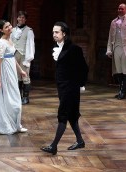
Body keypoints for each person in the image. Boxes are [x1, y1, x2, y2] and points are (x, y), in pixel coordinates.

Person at [40, 22, 88, 155]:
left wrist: (81, 84)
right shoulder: (56, 48)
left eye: (57, 32)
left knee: (63, 115)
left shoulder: (74, 49)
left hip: (71, 87)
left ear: (64, 34)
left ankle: (54, 146)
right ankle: (80, 141)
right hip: (62, 87)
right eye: (53, 32)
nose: (54, 34)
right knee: (72, 115)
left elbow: (83, 68)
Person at [0, 19, 28, 135]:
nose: (9, 28)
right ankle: (6, 124)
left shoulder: (10, 40)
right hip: (4, 72)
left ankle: (16, 124)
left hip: (11, 71)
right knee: (8, 98)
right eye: (6, 27)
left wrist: (21, 70)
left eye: (10, 25)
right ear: (1, 30)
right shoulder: (1, 43)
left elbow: (12, 57)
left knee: (15, 97)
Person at [106, 3, 126, 99]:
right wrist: (109, 49)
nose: (120, 10)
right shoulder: (113, 22)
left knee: (125, 71)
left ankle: (123, 92)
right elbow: (110, 37)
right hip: (116, 48)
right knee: (118, 71)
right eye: (119, 8)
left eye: (122, 9)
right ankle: (120, 90)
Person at [10, 11, 35, 105]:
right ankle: (18, 96)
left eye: (23, 17)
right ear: (17, 18)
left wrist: (28, 59)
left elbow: (31, 45)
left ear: (26, 19)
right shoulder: (13, 30)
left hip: (24, 55)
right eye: (20, 17)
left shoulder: (29, 31)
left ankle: (25, 97)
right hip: (14, 55)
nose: (21, 19)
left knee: (25, 76)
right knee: (16, 77)